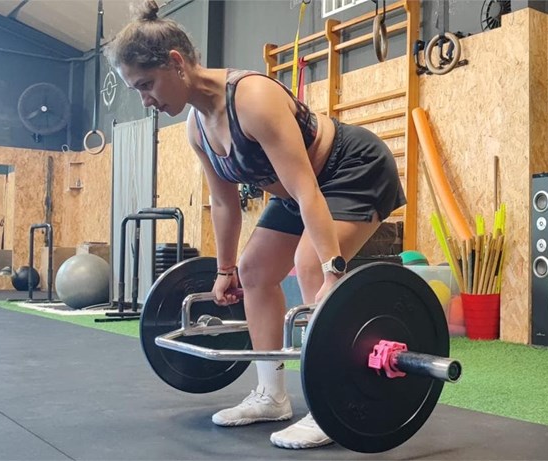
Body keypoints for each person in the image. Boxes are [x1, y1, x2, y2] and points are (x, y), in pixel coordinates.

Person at [106, 0, 406, 450]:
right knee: (254, 271)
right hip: (295, 188)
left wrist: (332, 270)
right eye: (136, 90)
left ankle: (332, 404)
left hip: (351, 168)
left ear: (176, 62)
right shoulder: (197, 127)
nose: (145, 100)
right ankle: (271, 395)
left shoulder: (253, 98)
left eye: (146, 85)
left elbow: (308, 191)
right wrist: (225, 270)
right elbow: (224, 203)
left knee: (309, 264)